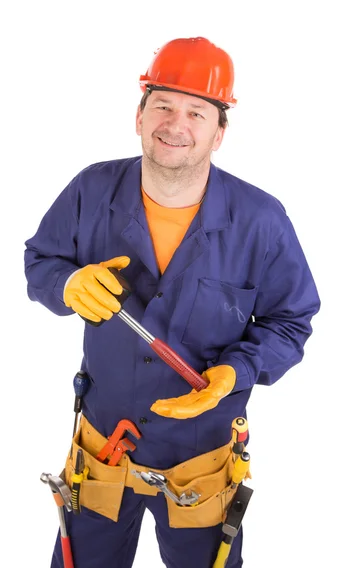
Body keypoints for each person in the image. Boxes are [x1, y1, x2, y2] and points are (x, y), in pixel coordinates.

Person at [24, 36, 320, 568]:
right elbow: (41, 260)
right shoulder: (91, 191)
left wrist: (238, 370)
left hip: (201, 464)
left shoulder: (262, 223)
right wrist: (65, 286)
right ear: (138, 115)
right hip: (103, 451)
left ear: (220, 132)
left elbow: (291, 320)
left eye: (196, 111)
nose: (175, 123)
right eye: (162, 104)